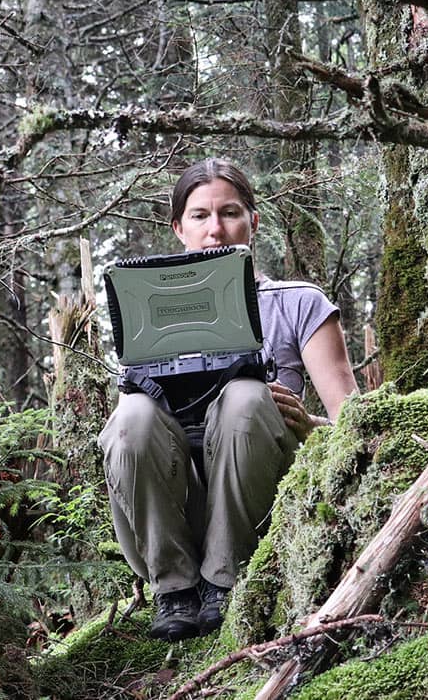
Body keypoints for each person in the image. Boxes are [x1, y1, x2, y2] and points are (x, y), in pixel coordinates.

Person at [100, 158, 359, 642]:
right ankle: (173, 590)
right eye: (199, 216)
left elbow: (358, 425)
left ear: (253, 222)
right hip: (170, 525)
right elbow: (131, 445)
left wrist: (307, 424)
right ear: (179, 228)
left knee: (244, 396)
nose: (215, 230)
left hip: (266, 510)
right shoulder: (148, 317)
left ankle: (226, 580)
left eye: (230, 213)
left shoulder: (297, 303)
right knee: (131, 413)